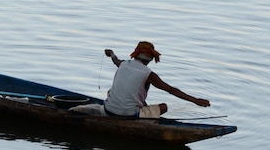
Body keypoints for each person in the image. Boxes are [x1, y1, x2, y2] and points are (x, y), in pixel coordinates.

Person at [70, 41, 210, 118]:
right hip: (129, 115)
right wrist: (195, 100)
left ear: (136, 54)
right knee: (164, 107)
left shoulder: (124, 64)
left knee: (124, 96)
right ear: (150, 59)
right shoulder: (149, 74)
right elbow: (171, 90)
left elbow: (115, 60)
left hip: (108, 110)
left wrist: (111, 53)